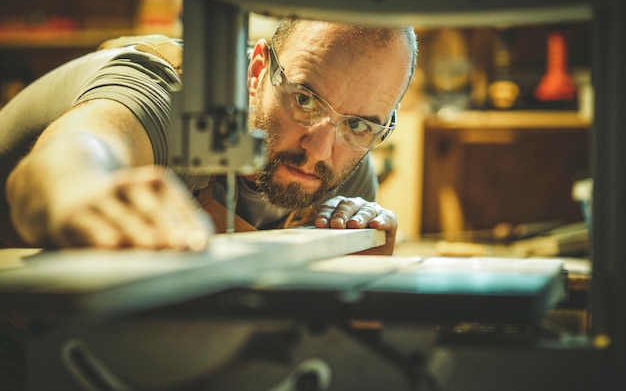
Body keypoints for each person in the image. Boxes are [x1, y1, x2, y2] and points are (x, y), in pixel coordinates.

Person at [0, 18, 418, 255]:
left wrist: (364, 264)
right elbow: (66, 158)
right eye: (305, 100)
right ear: (256, 72)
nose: (319, 150)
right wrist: (80, 189)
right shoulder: (178, 98)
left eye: (359, 125)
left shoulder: (344, 178)